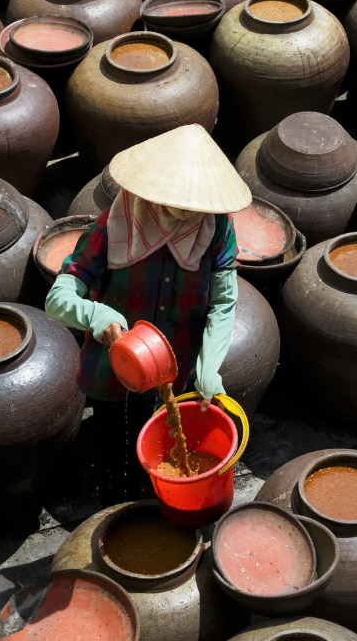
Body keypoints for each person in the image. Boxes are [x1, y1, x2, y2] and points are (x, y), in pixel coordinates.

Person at [45, 124, 252, 502]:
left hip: (176, 369)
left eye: (199, 203)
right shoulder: (115, 225)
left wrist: (209, 369)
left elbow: (223, 303)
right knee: (115, 457)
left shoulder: (218, 229)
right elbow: (59, 297)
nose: (190, 212)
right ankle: (115, 516)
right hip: (117, 369)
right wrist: (95, 315)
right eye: (180, 200)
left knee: (164, 456)